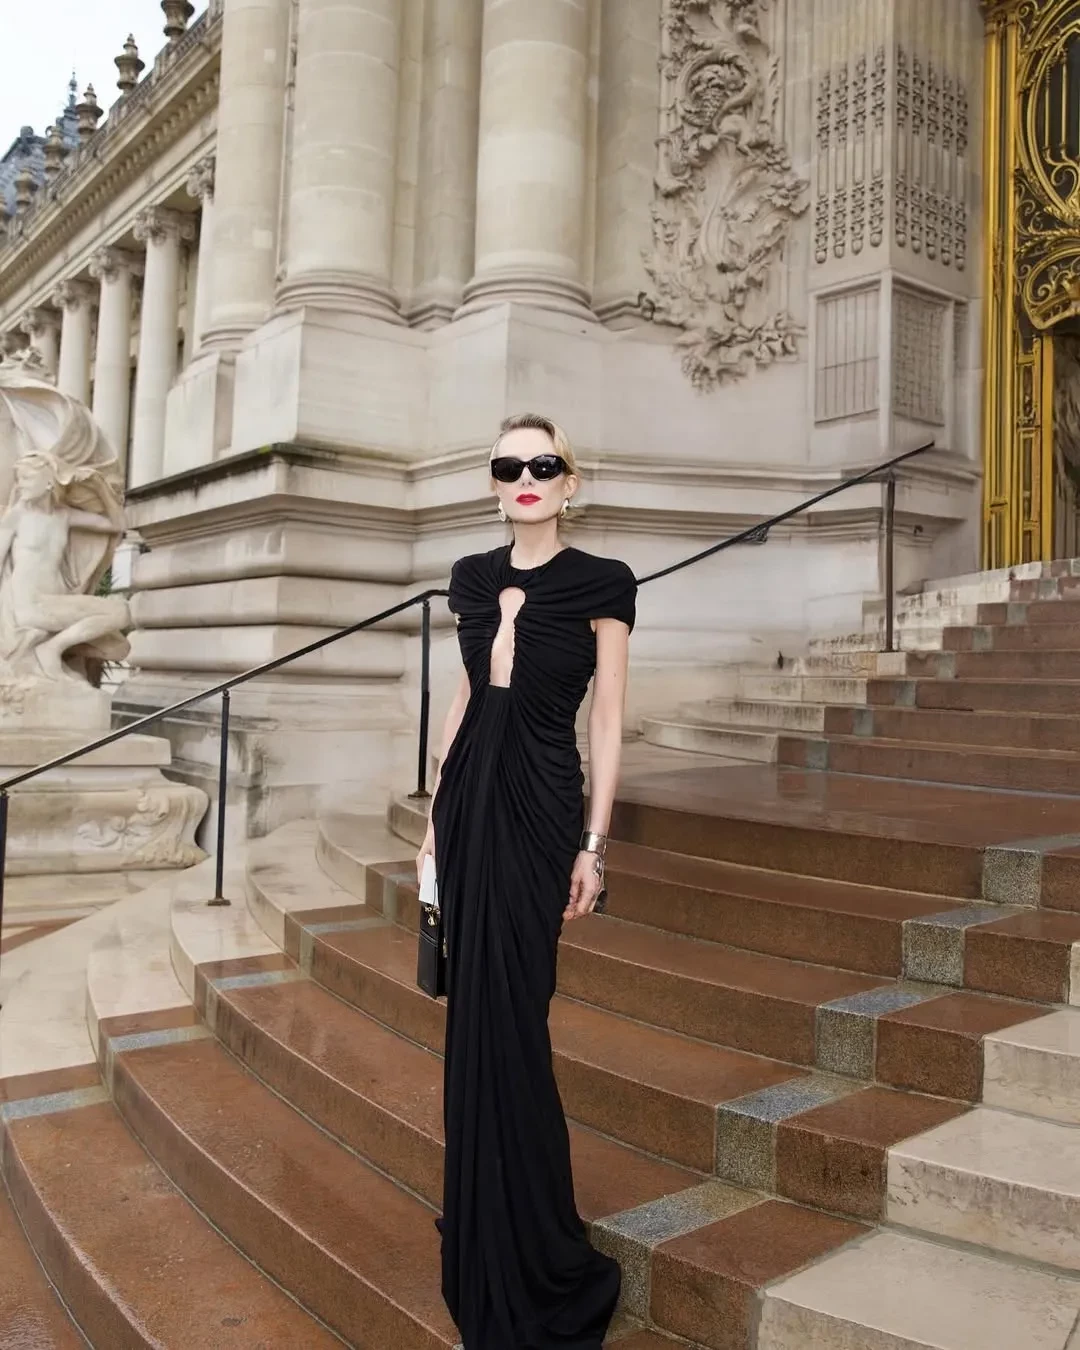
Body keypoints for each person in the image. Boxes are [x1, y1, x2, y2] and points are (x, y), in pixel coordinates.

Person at [416, 412, 637, 1349]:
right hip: (470, 801)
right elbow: (467, 698)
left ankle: (534, 1238)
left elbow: (608, 719)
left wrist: (594, 844)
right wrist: (432, 824)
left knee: (517, 1013)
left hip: (543, 804)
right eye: (508, 467)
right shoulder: (470, 578)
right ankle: (484, 1220)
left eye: (543, 464)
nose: (526, 479)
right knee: (475, 1018)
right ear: (493, 483)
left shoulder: (604, 581)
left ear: (569, 482)